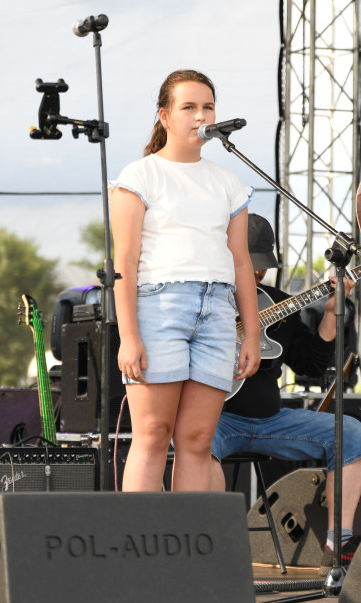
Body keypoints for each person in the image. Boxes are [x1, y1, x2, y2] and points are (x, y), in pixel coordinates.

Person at [109, 69, 261, 492]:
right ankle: (138, 549)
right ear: (165, 116)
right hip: (159, 306)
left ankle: (184, 549)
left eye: (208, 107)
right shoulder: (140, 176)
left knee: (196, 441)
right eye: (189, 107)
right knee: (154, 434)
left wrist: (250, 334)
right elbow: (125, 259)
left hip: (217, 311)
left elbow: (242, 263)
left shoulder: (229, 183)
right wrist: (129, 335)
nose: (200, 115)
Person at [209, 214, 361, 570]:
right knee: (198, 445)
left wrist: (331, 313)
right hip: (217, 420)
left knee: (352, 434)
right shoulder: (206, 302)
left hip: (271, 420)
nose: (255, 274)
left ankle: (337, 546)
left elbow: (312, 365)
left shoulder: (280, 304)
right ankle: (213, 548)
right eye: (248, 265)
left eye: (260, 268)